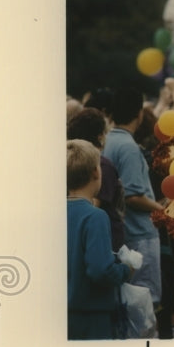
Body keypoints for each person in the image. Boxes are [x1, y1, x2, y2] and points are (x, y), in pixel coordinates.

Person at [102, 87, 165, 311]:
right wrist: (162, 210)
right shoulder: (128, 147)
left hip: (123, 233)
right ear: (139, 114)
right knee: (143, 301)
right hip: (139, 234)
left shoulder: (108, 140)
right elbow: (133, 196)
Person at [67, 139, 132, 340]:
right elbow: (100, 270)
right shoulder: (95, 216)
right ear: (96, 172)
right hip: (92, 317)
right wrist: (126, 269)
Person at [66, 107, 126, 252]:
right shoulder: (101, 165)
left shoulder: (69, 160)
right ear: (100, 137)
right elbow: (94, 205)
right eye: (106, 132)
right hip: (103, 241)